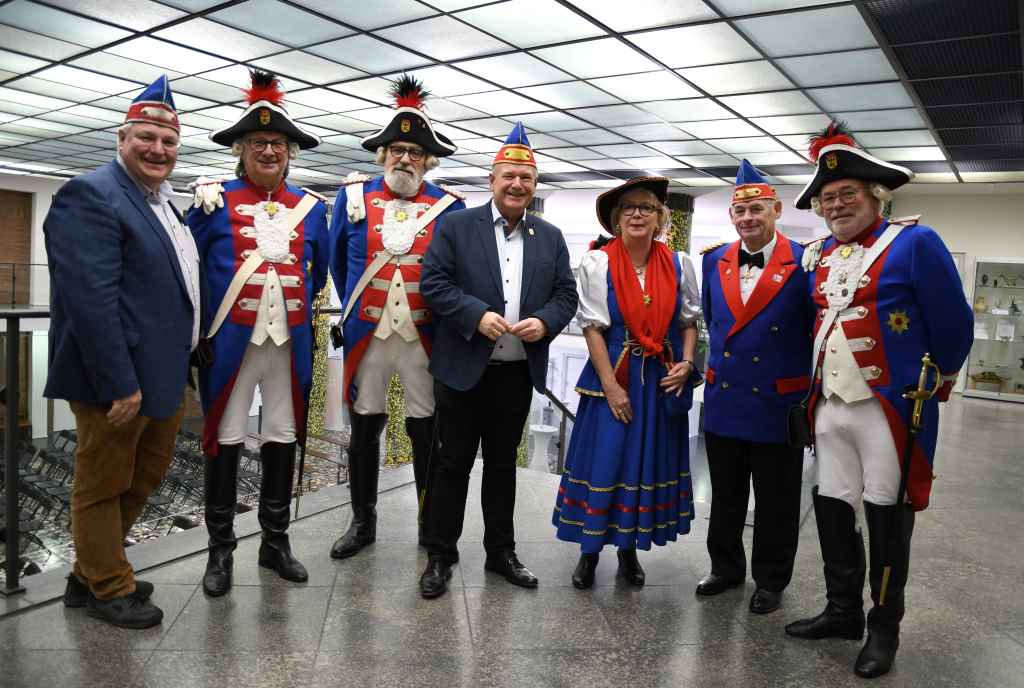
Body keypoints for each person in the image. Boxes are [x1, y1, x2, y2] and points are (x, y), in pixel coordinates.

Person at [784, 122, 973, 678]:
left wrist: (941, 379)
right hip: (828, 406)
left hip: (889, 407)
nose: (837, 204)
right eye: (827, 198)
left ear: (875, 196)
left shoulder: (914, 242)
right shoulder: (816, 254)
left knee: (887, 513)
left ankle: (883, 627)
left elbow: (953, 321)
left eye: (847, 194)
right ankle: (842, 611)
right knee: (834, 505)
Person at [43, 76, 199, 628]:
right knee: (103, 481)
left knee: (144, 475)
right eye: (146, 137)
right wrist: (118, 381)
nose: (159, 149)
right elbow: (90, 300)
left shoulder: (159, 202)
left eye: (169, 141)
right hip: (117, 379)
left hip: (161, 373)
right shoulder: (91, 193)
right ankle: (107, 586)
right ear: (121, 137)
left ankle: (94, 568)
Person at [417, 123, 578, 599]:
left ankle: (500, 552)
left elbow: (566, 295)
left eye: (526, 179)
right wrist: (475, 314)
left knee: (503, 465)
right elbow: (434, 282)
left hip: (514, 374)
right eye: (509, 176)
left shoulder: (549, 236)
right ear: (492, 179)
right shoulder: (456, 226)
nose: (517, 185)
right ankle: (441, 555)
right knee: (451, 466)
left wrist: (545, 322)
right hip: (462, 372)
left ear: (534, 186)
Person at [187, 70, 329, 597]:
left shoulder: (313, 210)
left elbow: (324, 268)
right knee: (223, 442)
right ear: (241, 149)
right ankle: (219, 551)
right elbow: (187, 267)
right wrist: (194, 332)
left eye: (277, 143)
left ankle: (275, 544)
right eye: (258, 143)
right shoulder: (210, 200)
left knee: (282, 436)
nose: (269, 150)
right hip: (227, 343)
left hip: (287, 342)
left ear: (290, 151)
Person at [328, 75, 465, 560]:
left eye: (414, 150)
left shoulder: (449, 209)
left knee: (426, 430)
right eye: (395, 149)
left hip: (423, 338)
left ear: (429, 159)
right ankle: (362, 521)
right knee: (364, 427)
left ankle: (431, 526)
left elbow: (455, 271)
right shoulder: (352, 199)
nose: (403, 158)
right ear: (382, 154)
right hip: (370, 333)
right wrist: (360, 310)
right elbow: (337, 262)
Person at [552, 176, 700, 589]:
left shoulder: (678, 263)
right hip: (612, 375)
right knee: (606, 460)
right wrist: (611, 386)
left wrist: (687, 362)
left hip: (658, 379)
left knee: (641, 462)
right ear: (617, 220)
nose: (638, 213)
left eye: (647, 207)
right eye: (629, 208)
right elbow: (593, 329)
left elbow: (688, 321)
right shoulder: (597, 263)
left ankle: (628, 550)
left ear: (660, 219)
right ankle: (588, 552)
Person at [695, 161, 815, 614]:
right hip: (726, 398)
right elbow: (715, 321)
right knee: (725, 495)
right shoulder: (713, 260)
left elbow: (812, 327)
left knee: (776, 501)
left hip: (777, 403)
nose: (747, 218)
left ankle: (771, 580)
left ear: (776, 209)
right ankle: (725, 568)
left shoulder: (806, 259)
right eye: (739, 210)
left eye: (757, 209)